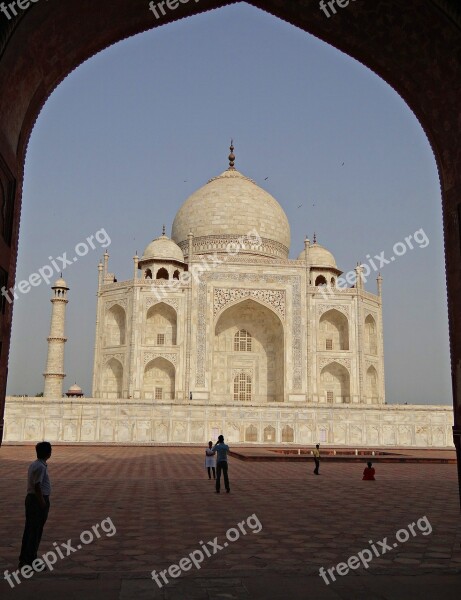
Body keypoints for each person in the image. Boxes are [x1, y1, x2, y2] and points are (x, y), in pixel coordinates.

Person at [19, 441, 52, 568]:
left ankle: (25, 559)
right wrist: (42, 502)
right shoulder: (40, 467)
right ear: (48, 453)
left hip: (33, 500)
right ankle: (30, 561)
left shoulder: (36, 464)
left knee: (30, 530)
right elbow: (37, 486)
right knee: (35, 531)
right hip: (37, 501)